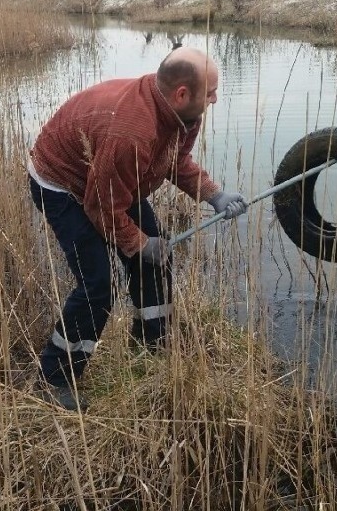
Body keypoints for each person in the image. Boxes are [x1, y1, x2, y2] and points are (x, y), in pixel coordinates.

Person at [27, 47, 247, 411]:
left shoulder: (181, 114)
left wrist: (214, 194)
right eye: (210, 92)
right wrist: (137, 242)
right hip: (63, 184)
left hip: (111, 178)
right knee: (97, 286)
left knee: (155, 262)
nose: (215, 98)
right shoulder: (131, 132)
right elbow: (101, 206)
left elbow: (174, 161)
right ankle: (54, 380)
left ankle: (151, 342)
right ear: (182, 94)